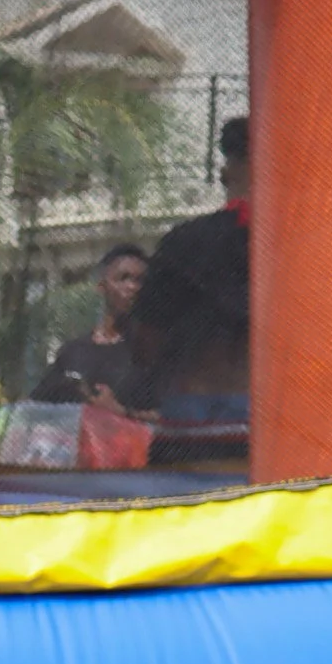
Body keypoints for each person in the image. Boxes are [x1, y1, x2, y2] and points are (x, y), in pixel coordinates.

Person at [128, 114, 250, 458]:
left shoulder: (185, 241)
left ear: (227, 171)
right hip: (273, 415)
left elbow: (145, 343)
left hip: (191, 411)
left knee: (184, 508)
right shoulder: (303, 246)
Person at [40, 243, 148, 411]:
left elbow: (173, 420)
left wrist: (123, 413)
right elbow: (37, 407)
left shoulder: (152, 353)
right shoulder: (73, 352)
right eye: (123, 278)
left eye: (140, 280)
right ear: (102, 286)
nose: (132, 287)